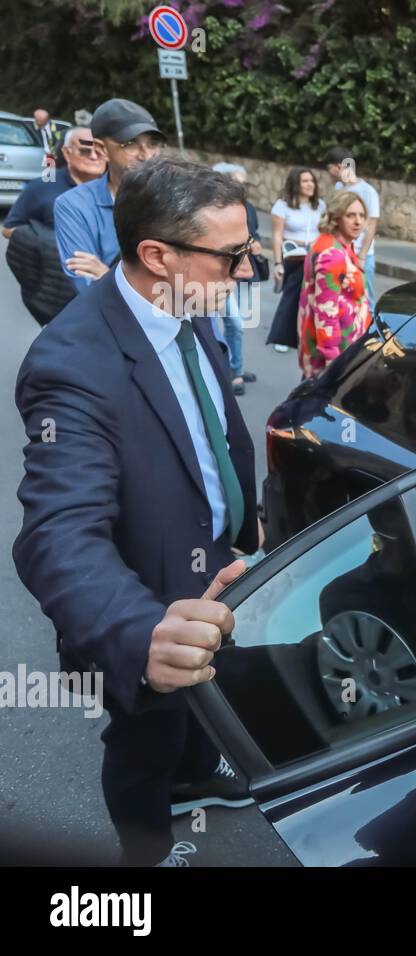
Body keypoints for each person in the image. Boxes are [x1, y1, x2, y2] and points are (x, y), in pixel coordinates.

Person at [14, 158, 260, 867]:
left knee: (201, 703)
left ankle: (197, 773)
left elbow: (209, 434)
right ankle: (146, 856)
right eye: (231, 256)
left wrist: (243, 522)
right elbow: (58, 533)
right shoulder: (71, 364)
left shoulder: (185, 305)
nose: (246, 272)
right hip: (147, 597)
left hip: (213, 564)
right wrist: (137, 630)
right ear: (157, 255)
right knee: (144, 738)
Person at [55, 98, 164, 292]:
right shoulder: (74, 205)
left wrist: (107, 275)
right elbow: (86, 286)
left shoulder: (176, 199)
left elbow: (192, 279)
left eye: (153, 144)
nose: (146, 155)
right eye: (131, 144)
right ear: (101, 149)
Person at [4, 126, 104, 325]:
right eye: (85, 150)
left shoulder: (119, 189)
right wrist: (48, 243)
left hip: (106, 293)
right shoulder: (42, 187)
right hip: (58, 296)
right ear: (67, 153)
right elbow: (9, 228)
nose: (94, 156)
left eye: (100, 151)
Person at [299, 190, 372, 378]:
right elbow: (326, 312)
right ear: (337, 218)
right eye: (350, 215)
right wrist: (332, 360)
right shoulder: (333, 254)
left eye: (362, 215)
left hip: (344, 346)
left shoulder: (337, 245)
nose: (358, 222)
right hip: (337, 353)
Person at [211, 163, 263, 395]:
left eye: (245, 183)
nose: (243, 188)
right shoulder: (213, 209)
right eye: (238, 183)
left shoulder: (247, 207)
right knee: (235, 323)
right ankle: (232, 372)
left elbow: (254, 232)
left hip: (242, 271)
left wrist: (255, 243)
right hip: (221, 274)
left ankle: (236, 367)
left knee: (237, 325)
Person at [267, 166, 325, 353]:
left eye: (312, 181)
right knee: (291, 295)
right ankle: (282, 336)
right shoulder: (282, 206)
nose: (310, 184)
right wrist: (277, 263)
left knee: (314, 295)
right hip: (293, 254)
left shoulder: (320, 205)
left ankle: (308, 333)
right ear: (295, 184)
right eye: (305, 181)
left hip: (315, 254)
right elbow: (277, 235)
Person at [323, 146, 380, 309]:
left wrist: (362, 256)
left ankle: (371, 325)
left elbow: (371, 225)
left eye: (329, 168)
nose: (329, 173)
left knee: (366, 299)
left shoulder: (368, 191)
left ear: (338, 167)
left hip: (361, 254)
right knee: (342, 296)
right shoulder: (338, 188)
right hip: (340, 251)